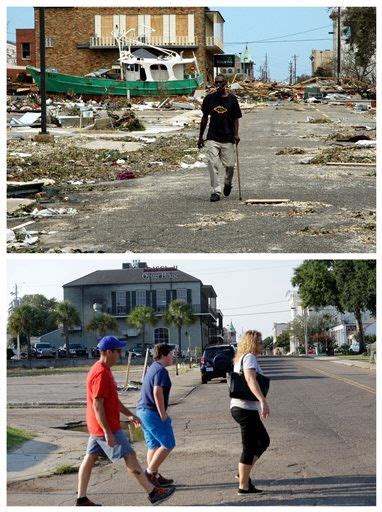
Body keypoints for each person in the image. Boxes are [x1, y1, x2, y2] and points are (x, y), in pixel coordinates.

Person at [76, 336, 175, 506]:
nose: (120, 354)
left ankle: (81, 498)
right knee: (130, 456)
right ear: (108, 352)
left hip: (96, 425)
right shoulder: (101, 373)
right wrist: (107, 431)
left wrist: (129, 414)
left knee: (89, 458)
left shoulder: (102, 369)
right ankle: (153, 492)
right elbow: (98, 404)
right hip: (106, 426)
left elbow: (112, 401)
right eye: (118, 351)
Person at [230, 330, 270, 495]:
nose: (262, 345)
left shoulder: (241, 358)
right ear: (253, 343)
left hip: (241, 408)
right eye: (260, 342)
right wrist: (262, 400)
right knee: (250, 447)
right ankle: (243, 486)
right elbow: (250, 379)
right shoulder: (249, 358)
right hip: (245, 408)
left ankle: (243, 474)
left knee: (263, 441)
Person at [198, 74, 242, 202]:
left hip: (227, 137)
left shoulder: (232, 99)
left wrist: (236, 134)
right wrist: (201, 137)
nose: (218, 85)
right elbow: (204, 118)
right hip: (212, 136)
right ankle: (216, 191)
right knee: (212, 163)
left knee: (229, 166)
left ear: (226, 84)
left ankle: (227, 183)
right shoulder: (209, 99)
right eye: (216, 83)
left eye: (221, 83)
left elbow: (235, 119)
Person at [136, 343, 176, 488]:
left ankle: (155, 476)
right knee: (168, 443)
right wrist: (163, 415)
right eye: (171, 354)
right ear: (164, 355)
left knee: (153, 446)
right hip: (151, 412)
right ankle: (150, 473)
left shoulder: (153, 368)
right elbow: (157, 392)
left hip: (142, 411)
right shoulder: (161, 371)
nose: (173, 357)